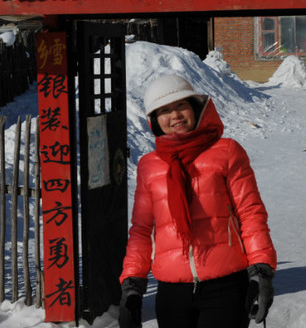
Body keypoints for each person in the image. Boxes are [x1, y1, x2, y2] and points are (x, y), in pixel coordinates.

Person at [118, 74, 277, 328]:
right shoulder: (149, 166)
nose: (175, 115)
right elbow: (141, 229)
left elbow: (250, 213)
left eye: (181, 105)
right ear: (154, 121)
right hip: (172, 293)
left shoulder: (226, 151)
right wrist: (132, 284)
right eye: (165, 110)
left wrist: (261, 269)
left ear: (194, 107)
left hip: (225, 287)